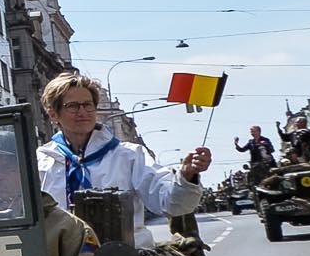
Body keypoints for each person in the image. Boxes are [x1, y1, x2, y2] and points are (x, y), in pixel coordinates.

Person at [35, 72, 210, 237]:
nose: (83, 112)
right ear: (53, 113)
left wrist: (187, 176)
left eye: (88, 105)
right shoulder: (40, 161)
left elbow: (172, 203)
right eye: (72, 106)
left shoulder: (128, 156)